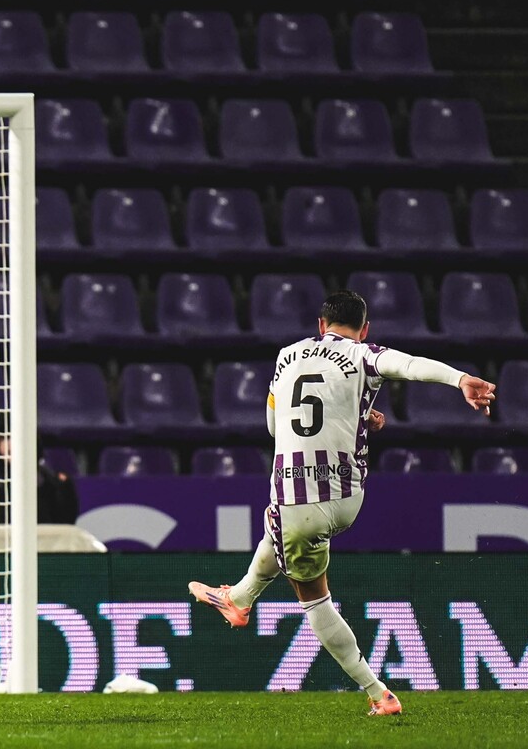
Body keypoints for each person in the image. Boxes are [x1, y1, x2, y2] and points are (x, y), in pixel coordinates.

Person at [188, 291, 496, 716]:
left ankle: (378, 693)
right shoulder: (364, 355)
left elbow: (276, 426)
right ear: (364, 329)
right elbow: (409, 365)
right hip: (348, 497)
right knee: (280, 536)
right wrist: (460, 379)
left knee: (313, 595)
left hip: (298, 495)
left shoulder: (286, 356)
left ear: (321, 324)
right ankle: (239, 598)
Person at [0, 431, 80, 527]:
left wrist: (65, 488)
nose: (12, 443)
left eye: (19, 436)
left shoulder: (50, 480)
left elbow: (65, 522)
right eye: (6, 437)